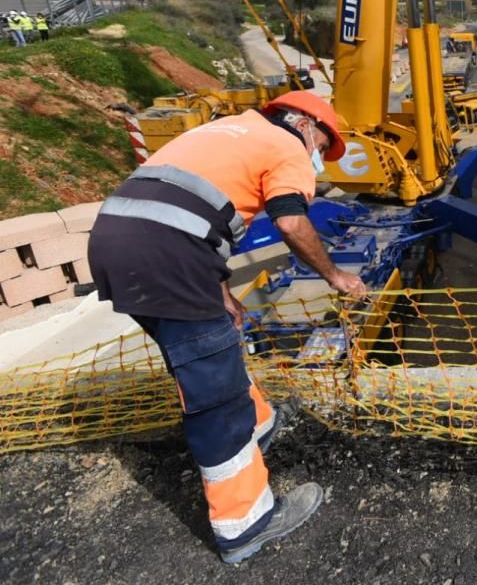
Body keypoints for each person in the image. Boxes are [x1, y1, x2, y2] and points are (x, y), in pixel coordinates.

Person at [87, 90, 367, 564]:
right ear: (301, 125)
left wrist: (218, 288)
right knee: (213, 394)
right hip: (169, 258)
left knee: (210, 349)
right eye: (321, 143)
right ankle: (245, 522)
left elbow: (186, 208)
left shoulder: (220, 130)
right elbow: (293, 224)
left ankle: (260, 424)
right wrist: (335, 275)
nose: (317, 155)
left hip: (115, 245)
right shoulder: (285, 147)